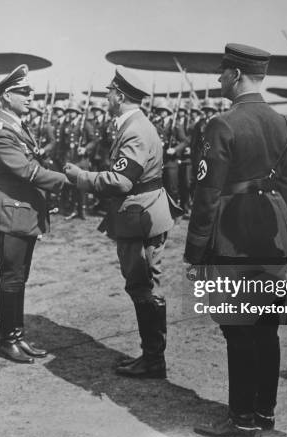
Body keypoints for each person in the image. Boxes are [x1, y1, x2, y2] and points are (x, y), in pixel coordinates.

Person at [185, 43, 287, 437]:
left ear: (235, 75)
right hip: (273, 237)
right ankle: (264, 413)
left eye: (223, 73)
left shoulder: (222, 124)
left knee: (238, 329)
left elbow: (206, 195)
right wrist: (274, 226)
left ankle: (241, 420)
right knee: (267, 327)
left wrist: (196, 251)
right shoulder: (283, 122)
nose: (219, 79)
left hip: (230, 238)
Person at [64, 66, 175, 378]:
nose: (106, 95)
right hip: (142, 214)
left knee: (143, 286)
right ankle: (152, 356)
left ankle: (153, 360)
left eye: (110, 92)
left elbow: (122, 181)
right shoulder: (133, 125)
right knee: (144, 285)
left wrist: (80, 177)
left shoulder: (136, 130)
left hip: (139, 217)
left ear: (120, 96)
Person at [0, 64, 70, 363]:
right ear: (7, 96)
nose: (30, 96)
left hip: (23, 212)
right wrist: (67, 180)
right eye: (23, 91)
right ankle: (8, 339)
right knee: (11, 277)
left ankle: (17, 336)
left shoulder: (18, 127)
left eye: (30, 91)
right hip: (11, 212)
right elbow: (25, 169)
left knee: (19, 278)